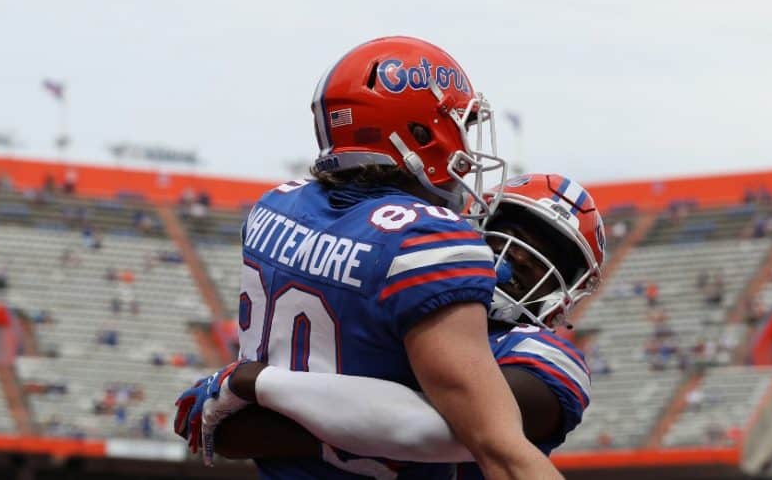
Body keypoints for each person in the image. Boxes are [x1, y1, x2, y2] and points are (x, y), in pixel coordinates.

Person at [178, 37, 560, 480]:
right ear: (419, 132)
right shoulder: (430, 240)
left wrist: (253, 382)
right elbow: (499, 449)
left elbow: (241, 429)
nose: (469, 151)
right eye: (461, 125)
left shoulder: (272, 208)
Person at [176, 174, 606, 479]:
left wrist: (259, 384)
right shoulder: (400, 303)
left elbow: (427, 428)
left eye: (552, 257)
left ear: (567, 293)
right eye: (509, 231)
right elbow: (239, 435)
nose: (522, 256)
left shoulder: (548, 361)